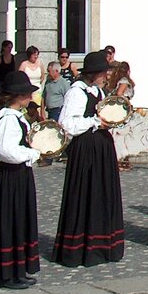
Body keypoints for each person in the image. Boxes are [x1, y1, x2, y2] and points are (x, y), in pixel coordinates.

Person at [53, 50, 124, 267]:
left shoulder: (97, 91)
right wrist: (94, 122)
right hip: (86, 149)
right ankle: (81, 248)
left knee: (102, 193)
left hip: (102, 148)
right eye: (103, 73)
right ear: (93, 73)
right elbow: (67, 124)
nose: (106, 76)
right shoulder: (77, 92)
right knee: (86, 193)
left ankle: (103, 245)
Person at [0, 71, 42, 290]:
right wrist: (32, 154)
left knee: (19, 220)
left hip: (17, 175)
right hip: (12, 175)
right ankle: (7, 274)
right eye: (27, 94)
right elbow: (6, 150)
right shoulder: (8, 118)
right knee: (11, 220)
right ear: (17, 96)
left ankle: (17, 269)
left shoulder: (14, 116)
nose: (30, 98)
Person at [109, 62, 136, 171]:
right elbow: (120, 94)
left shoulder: (123, 81)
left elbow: (119, 94)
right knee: (121, 135)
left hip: (122, 110)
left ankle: (123, 161)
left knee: (120, 135)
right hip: (123, 109)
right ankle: (123, 161)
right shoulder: (125, 81)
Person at [18, 46, 45, 113]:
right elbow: (20, 77)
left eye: (37, 55)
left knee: (36, 110)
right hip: (27, 91)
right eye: (34, 55)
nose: (36, 57)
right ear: (30, 55)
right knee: (26, 111)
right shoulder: (24, 64)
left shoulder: (39, 63)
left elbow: (42, 76)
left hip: (37, 90)